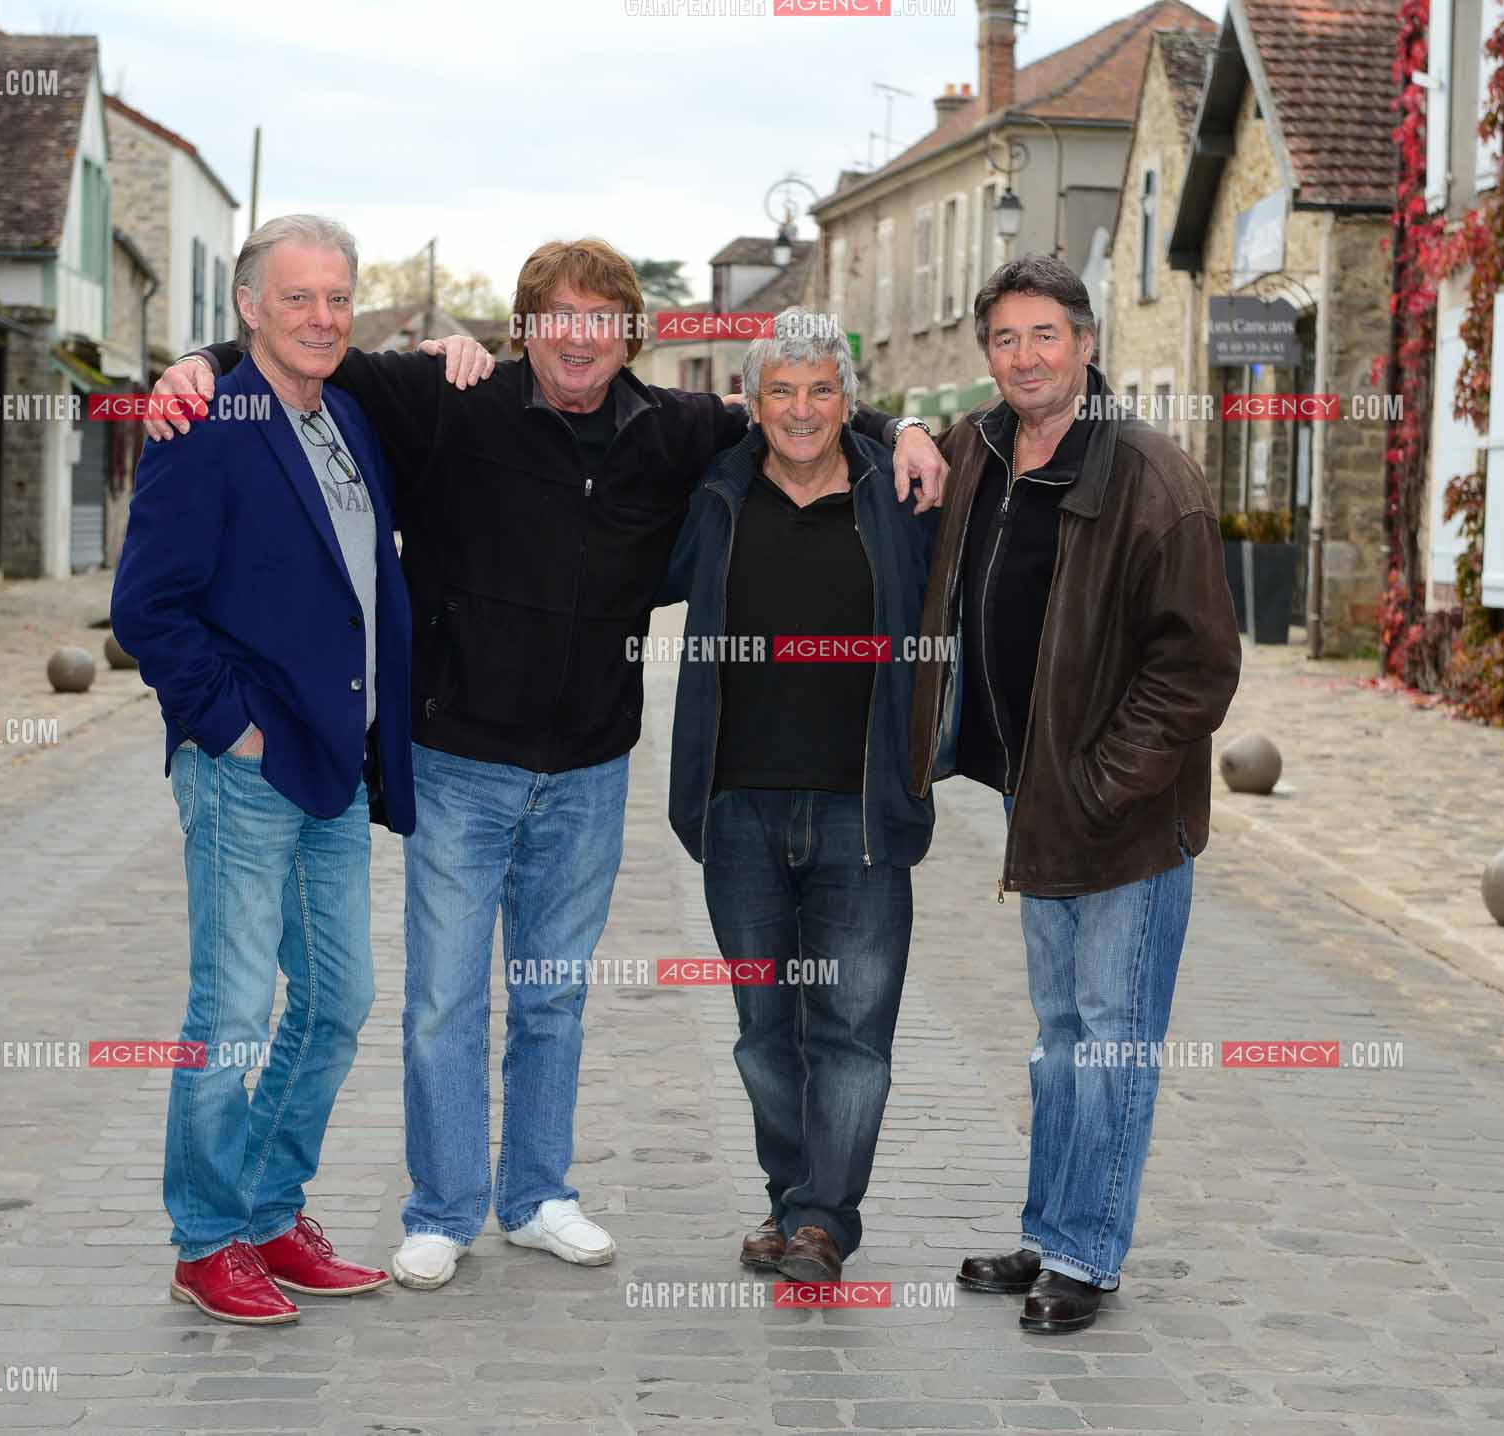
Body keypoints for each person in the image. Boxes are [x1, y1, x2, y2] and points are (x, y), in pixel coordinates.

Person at [144, 239, 948, 1289]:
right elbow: (303, 349)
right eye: (558, 316)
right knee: (439, 1001)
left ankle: (534, 1196)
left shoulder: (674, 430)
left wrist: (908, 425)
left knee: (552, 995)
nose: (579, 336)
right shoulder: (449, 398)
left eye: (602, 318)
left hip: (587, 771)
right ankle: (440, 1208)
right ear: (525, 328)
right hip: (458, 761)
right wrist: (195, 364)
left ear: (628, 335)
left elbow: (795, 409)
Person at [905, 255, 1241, 1334]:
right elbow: (861, 432)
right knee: (1058, 1035)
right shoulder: (983, 448)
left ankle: (1088, 1257)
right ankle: (1050, 1229)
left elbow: (1196, 667)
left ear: (1086, 343)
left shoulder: (1151, 476)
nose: (1024, 357)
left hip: (1121, 818)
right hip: (1030, 799)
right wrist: (897, 429)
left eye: (1043, 335)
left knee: (1110, 1037)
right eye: (1004, 340)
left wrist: (1103, 784)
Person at [111, 214, 415, 1325]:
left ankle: (268, 1211)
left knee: (338, 1001)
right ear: (248, 308)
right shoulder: (207, 421)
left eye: (338, 298)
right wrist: (232, 730)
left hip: (334, 768)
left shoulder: (346, 417)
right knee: (232, 1011)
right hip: (247, 770)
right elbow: (147, 606)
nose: (324, 318)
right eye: (299, 299)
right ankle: (205, 1241)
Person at [657, 309, 937, 1284]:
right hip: (737, 805)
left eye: (822, 389)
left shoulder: (898, 494)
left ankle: (823, 1217)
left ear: (848, 401)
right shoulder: (714, 496)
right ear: (752, 403)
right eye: (782, 390)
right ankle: (789, 1200)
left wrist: (903, 427)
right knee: (764, 1036)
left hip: (860, 808)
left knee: (853, 1034)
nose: (803, 409)